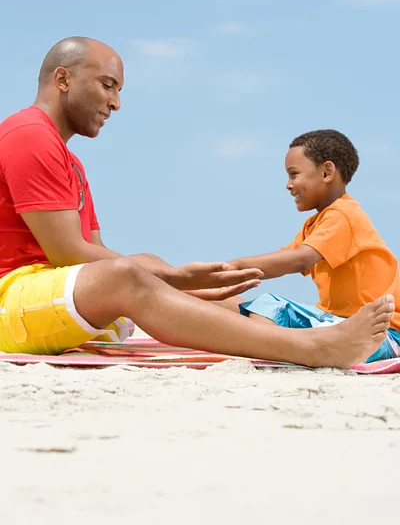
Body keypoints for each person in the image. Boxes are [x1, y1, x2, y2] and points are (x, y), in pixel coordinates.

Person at [0, 37, 394, 369]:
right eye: (108, 85)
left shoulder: (71, 162)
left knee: (158, 269)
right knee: (129, 276)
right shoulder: (29, 135)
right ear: (63, 79)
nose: (115, 102)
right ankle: (312, 347)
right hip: (12, 297)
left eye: (118, 90)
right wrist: (176, 278)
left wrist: (181, 281)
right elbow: (68, 252)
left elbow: (94, 250)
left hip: (45, 292)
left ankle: (307, 337)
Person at [220, 129, 400, 363]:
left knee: (272, 306)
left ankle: (271, 348)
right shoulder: (316, 224)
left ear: (326, 172)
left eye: (294, 174)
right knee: (236, 305)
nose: (288, 185)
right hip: (336, 324)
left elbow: (299, 260)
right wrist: (228, 277)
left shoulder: (343, 215)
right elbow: (283, 260)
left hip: (381, 336)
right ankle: (278, 344)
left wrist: (237, 265)